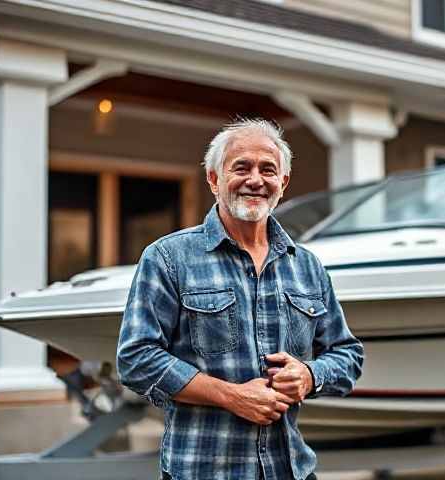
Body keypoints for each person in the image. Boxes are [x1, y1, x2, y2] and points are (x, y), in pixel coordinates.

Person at [116, 118, 364, 480]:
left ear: (283, 183)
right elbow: (136, 359)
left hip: (290, 469)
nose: (255, 179)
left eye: (268, 169)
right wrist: (231, 396)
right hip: (203, 471)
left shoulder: (307, 266)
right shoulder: (168, 258)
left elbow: (348, 354)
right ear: (214, 179)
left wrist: (309, 376)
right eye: (241, 167)